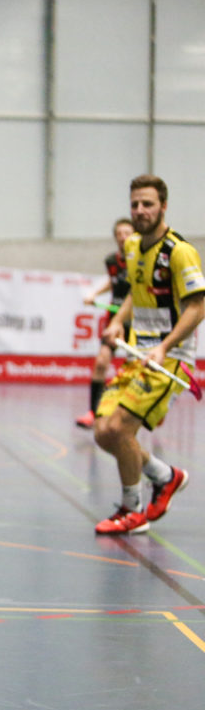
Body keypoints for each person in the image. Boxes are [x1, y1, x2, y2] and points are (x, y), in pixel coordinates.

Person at [93, 174, 203, 535]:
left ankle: (132, 510)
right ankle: (165, 476)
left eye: (148, 204)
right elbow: (134, 292)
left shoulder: (179, 251)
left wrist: (164, 346)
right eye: (135, 204)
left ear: (163, 207)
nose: (140, 210)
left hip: (170, 358)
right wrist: (117, 322)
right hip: (137, 354)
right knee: (103, 432)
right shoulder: (132, 246)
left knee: (120, 428)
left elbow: (198, 307)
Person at [77, 217, 136, 429]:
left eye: (127, 233)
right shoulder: (112, 261)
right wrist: (94, 293)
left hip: (136, 321)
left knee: (137, 369)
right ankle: (93, 412)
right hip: (114, 320)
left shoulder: (141, 260)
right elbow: (113, 282)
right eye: (119, 234)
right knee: (102, 361)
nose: (122, 237)